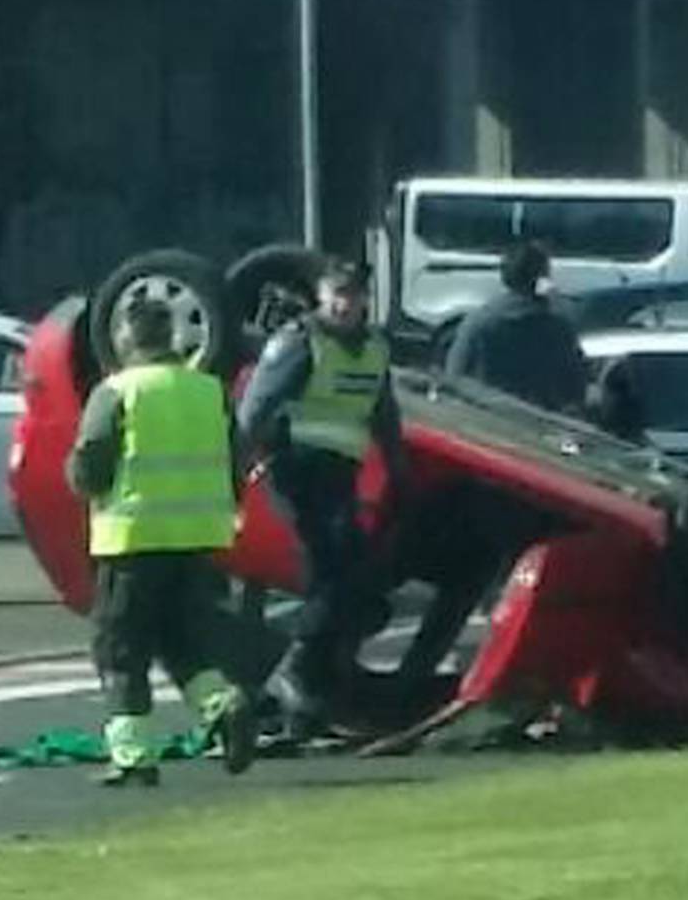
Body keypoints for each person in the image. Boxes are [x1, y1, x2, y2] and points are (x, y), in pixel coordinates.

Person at [66, 298, 256, 787]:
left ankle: (133, 758)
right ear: (171, 336)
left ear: (126, 338)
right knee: (181, 642)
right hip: (197, 540)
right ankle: (224, 704)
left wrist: (80, 482)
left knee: (120, 650)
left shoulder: (118, 392)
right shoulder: (209, 392)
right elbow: (238, 461)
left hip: (131, 541)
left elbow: (91, 465)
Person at [237, 258, 409, 739]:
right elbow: (255, 409)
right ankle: (292, 675)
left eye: (352, 295)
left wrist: (399, 470)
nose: (344, 303)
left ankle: (305, 682)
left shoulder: (374, 347)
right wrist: (235, 470)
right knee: (333, 571)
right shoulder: (298, 341)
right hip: (296, 467)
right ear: (320, 296)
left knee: (347, 577)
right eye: (336, 294)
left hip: (341, 473)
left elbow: (383, 411)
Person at [444, 239, 587, 415]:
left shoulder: (478, 322)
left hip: (485, 426)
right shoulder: (560, 329)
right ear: (543, 276)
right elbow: (576, 392)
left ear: (504, 275)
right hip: (541, 431)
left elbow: (454, 380)